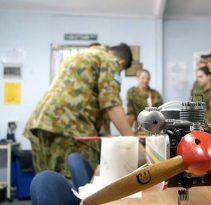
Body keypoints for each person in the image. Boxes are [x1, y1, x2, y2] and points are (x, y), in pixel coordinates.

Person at [23, 43, 135, 177]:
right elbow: (111, 103)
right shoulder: (110, 60)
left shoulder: (78, 56)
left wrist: (105, 133)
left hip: (42, 123)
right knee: (81, 185)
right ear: (121, 62)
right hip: (71, 128)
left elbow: (93, 97)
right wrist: (133, 141)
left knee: (49, 184)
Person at [126, 69, 163, 134]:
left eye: (147, 79)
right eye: (143, 78)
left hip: (154, 130)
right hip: (139, 130)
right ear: (137, 78)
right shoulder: (132, 92)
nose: (145, 80)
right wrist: (127, 133)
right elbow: (130, 114)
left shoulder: (156, 94)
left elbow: (160, 115)